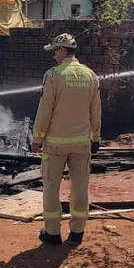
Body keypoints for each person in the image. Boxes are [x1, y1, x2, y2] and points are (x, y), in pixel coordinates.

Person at [30, 33, 102, 246]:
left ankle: (52, 233)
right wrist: (95, 137)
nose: (53, 56)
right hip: (81, 143)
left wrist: (37, 138)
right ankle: (77, 231)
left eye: (54, 51)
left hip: (55, 144)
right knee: (80, 186)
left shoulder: (53, 75)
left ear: (62, 50)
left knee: (52, 186)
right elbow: (96, 109)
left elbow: (45, 110)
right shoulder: (90, 75)